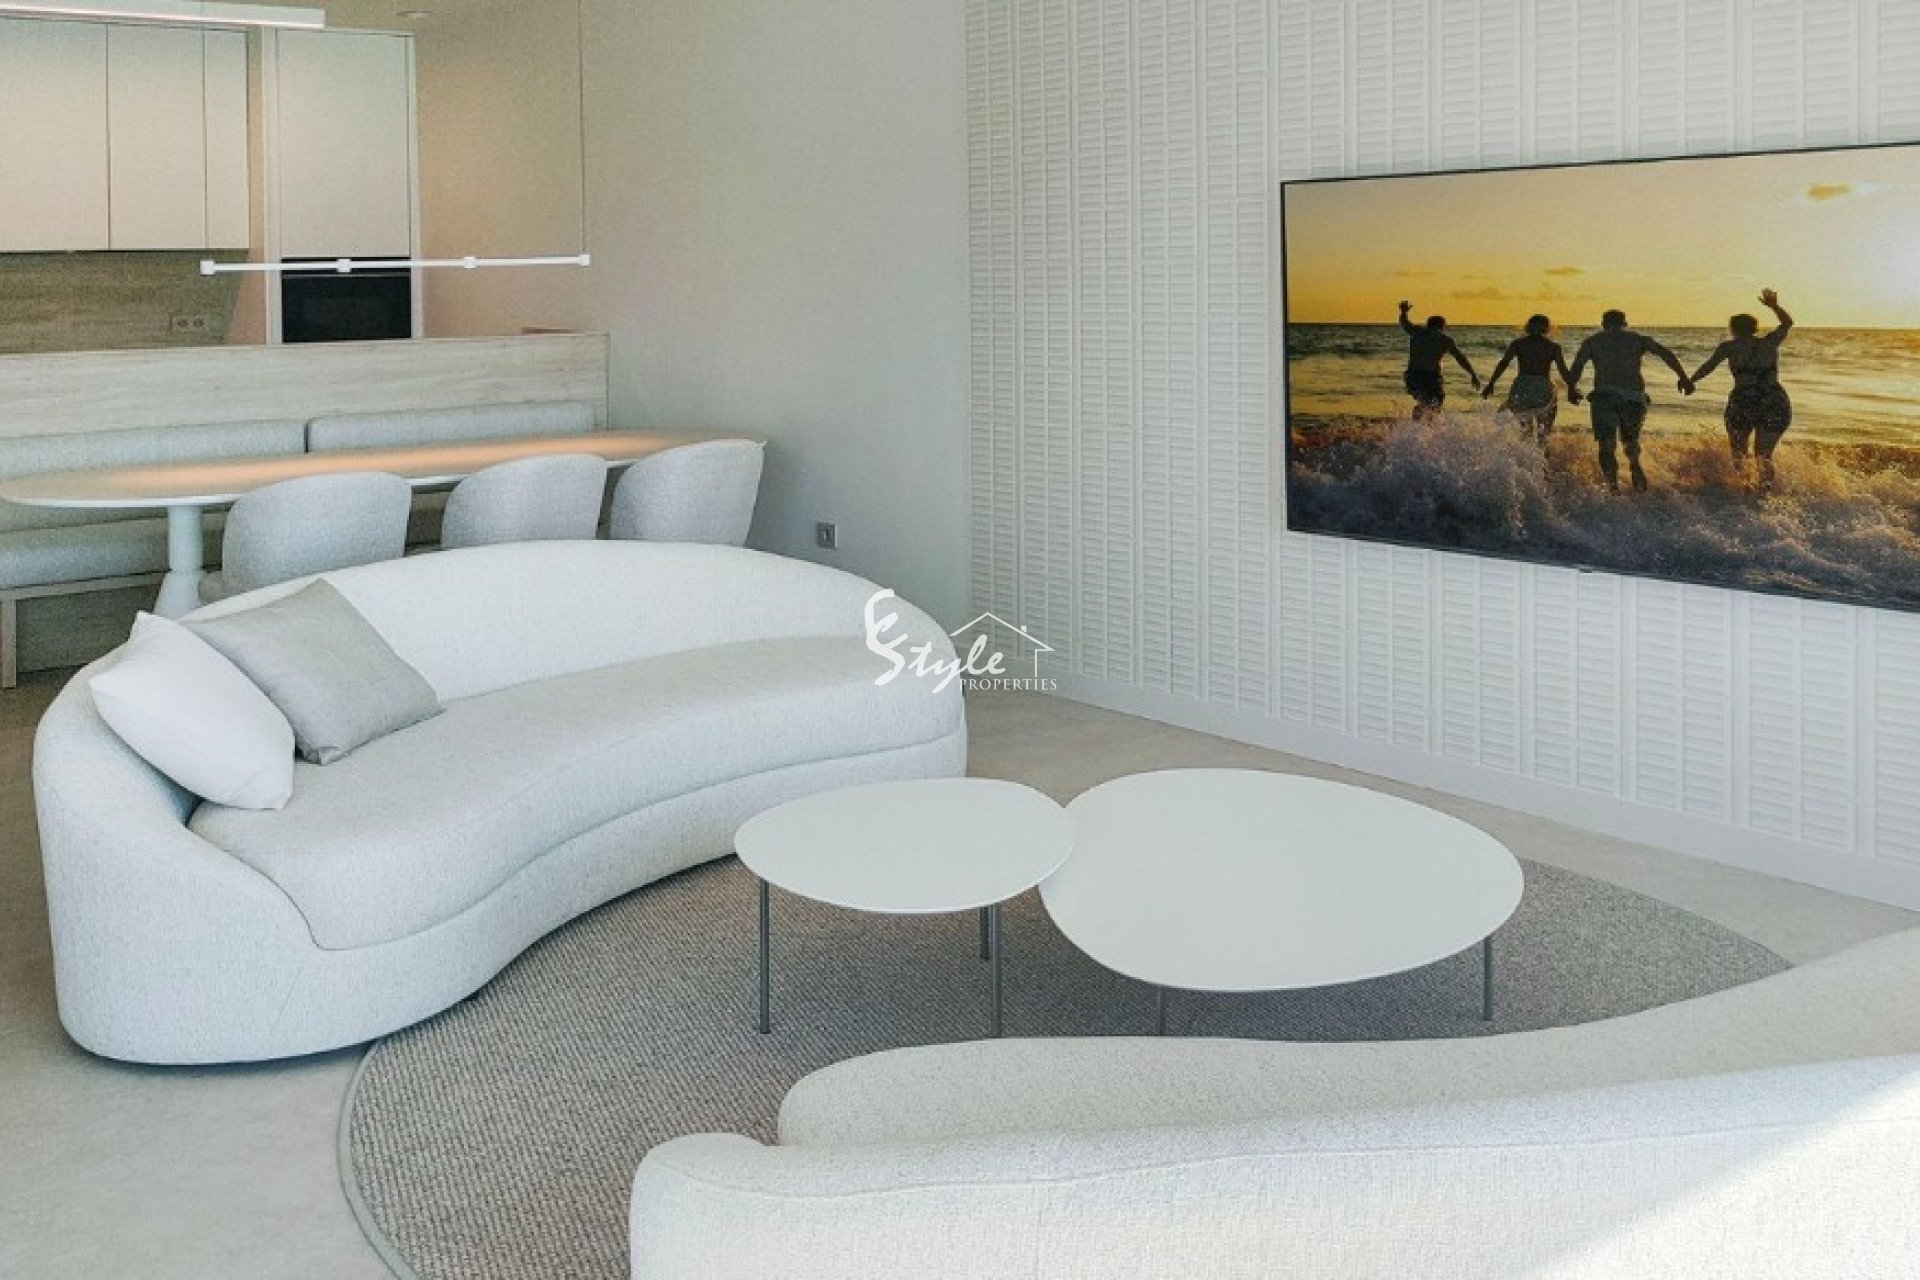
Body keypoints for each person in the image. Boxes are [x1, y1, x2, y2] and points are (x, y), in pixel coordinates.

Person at [1565, 309, 1695, 492]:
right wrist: (1683, 377)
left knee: (1606, 445)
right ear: (1625, 323)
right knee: (1631, 440)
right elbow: (1666, 353)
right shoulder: (1639, 339)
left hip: (1605, 396)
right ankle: (1634, 463)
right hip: (1634, 399)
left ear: (1603, 324)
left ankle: (1613, 488)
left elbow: (1577, 366)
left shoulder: (1592, 341)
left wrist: (1571, 388)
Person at [1689, 289, 1795, 490]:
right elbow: (1787, 323)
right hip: (1773, 400)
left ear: (1732, 329)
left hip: (1744, 401)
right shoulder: (1769, 343)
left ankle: (1746, 490)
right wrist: (1774, 306)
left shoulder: (1728, 347)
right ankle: (1765, 494)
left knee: (1739, 454)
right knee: (1764, 455)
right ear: (1755, 328)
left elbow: (1709, 366)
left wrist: (1690, 381)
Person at [1481, 314, 1574, 443]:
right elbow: (1563, 371)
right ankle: (1542, 454)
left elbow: (1504, 363)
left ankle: (1525, 455)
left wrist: (1491, 383)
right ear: (1547, 328)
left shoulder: (1518, 344)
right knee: (1544, 433)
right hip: (1543, 387)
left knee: (1526, 432)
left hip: (1522, 386)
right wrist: (1572, 388)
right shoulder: (1553, 347)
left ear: (1528, 326)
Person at [1398, 300, 1481, 418]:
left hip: (1419, 376)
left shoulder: (1418, 332)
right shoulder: (1441, 339)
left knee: (1430, 402)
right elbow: (1460, 358)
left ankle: (1421, 424)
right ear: (1441, 326)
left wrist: (1403, 312)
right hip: (1422, 377)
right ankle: (1421, 423)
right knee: (1432, 402)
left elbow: (1404, 323)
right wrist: (1473, 374)